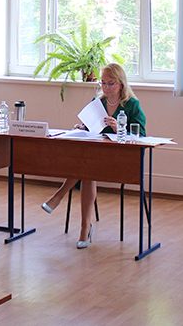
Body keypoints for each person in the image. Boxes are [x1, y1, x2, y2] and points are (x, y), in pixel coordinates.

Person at [41, 62, 145, 249]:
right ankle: (84, 227)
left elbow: (141, 135)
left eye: (111, 83)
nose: (106, 88)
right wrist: (82, 128)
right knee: (87, 168)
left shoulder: (131, 104)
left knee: (86, 167)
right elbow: (92, 128)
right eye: (103, 83)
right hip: (97, 157)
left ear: (121, 83)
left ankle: (59, 196)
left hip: (120, 158)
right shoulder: (98, 102)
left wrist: (119, 128)